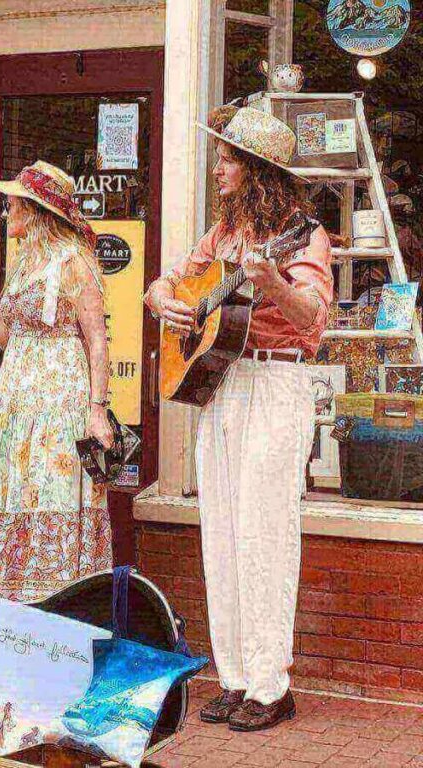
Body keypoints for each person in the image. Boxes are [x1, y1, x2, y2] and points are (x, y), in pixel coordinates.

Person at [144, 105, 333, 731]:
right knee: (221, 536)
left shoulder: (304, 237)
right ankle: (234, 677)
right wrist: (169, 304)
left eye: (228, 158)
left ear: (258, 171)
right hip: (222, 384)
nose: (217, 167)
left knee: (265, 537)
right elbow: (161, 286)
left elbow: (310, 316)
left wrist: (272, 282)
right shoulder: (222, 235)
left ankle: (271, 685)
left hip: (275, 381)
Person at [0, 160, 114, 631]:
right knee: (16, 493)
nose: (5, 213)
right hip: (16, 399)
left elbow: (97, 338)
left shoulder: (74, 262)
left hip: (60, 396)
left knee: (53, 488)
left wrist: (97, 409)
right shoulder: (24, 263)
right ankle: (12, 618)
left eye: (13, 204)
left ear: (38, 210)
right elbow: (8, 337)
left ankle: (57, 618)